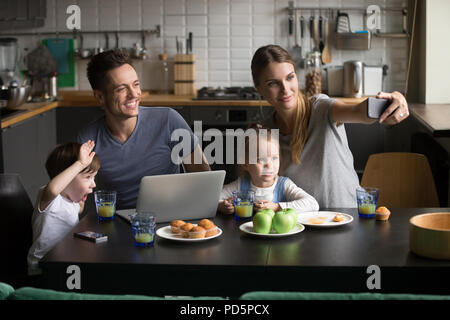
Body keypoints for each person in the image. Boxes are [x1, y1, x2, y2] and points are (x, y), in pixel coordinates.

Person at [251, 45, 410, 208]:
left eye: (290, 77)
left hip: (347, 219)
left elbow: (359, 111)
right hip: (299, 224)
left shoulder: (320, 107)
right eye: (273, 83)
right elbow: (253, 186)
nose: (285, 89)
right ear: (259, 88)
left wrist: (394, 99)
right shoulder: (265, 132)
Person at [77, 50, 210, 209]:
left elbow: (204, 178)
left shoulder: (168, 120)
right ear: (100, 97)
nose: (134, 94)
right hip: (119, 225)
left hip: (171, 222)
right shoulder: (88, 139)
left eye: (136, 84)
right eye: (121, 89)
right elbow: (76, 200)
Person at [27, 141, 99, 275]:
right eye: (88, 177)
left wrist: (80, 200)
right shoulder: (49, 198)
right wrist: (80, 164)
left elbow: (75, 211)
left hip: (63, 263)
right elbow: (54, 189)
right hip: (43, 270)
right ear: (67, 176)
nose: (93, 184)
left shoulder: (71, 202)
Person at [218, 125, 319, 214]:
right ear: (245, 164)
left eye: (274, 158)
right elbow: (212, 198)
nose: (269, 165)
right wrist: (221, 205)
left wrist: (277, 207)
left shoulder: (284, 185)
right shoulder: (240, 185)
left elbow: (312, 204)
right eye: (260, 159)